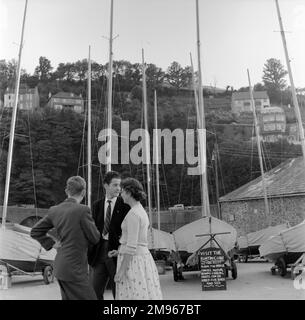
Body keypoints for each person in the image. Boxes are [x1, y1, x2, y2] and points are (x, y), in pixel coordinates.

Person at [30, 176, 100, 300]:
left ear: (66, 191)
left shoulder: (54, 210)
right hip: (75, 269)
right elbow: (95, 238)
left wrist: (52, 243)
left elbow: (35, 231)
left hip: (61, 267)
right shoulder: (83, 210)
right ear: (83, 192)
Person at [114, 177, 163, 300]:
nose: (121, 194)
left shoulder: (133, 214)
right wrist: (119, 251)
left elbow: (131, 247)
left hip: (134, 262)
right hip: (140, 258)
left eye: (123, 192)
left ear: (129, 193)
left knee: (134, 294)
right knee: (142, 293)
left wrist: (121, 271)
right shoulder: (139, 210)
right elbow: (137, 242)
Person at [88, 171, 130, 300]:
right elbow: (92, 229)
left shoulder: (125, 205)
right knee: (94, 292)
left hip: (117, 253)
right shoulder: (96, 205)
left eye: (120, 185)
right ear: (106, 186)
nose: (118, 188)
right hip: (98, 254)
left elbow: (128, 232)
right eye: (115, 185)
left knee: (118, 292)